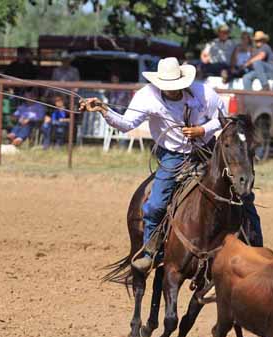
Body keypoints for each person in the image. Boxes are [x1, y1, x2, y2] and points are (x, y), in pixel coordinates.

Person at [80, 57, 262, 274]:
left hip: (207, 150)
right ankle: (150, 252)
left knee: (243, 195)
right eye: (168, 87)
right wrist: (104, 110)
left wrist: (202, 130)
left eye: (176, 86)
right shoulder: (147, 97)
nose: (173, 91)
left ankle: (256, 249)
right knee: (156, 204)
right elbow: (127, 124)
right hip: (172, 155)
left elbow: (223, 118)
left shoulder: (204, 92)